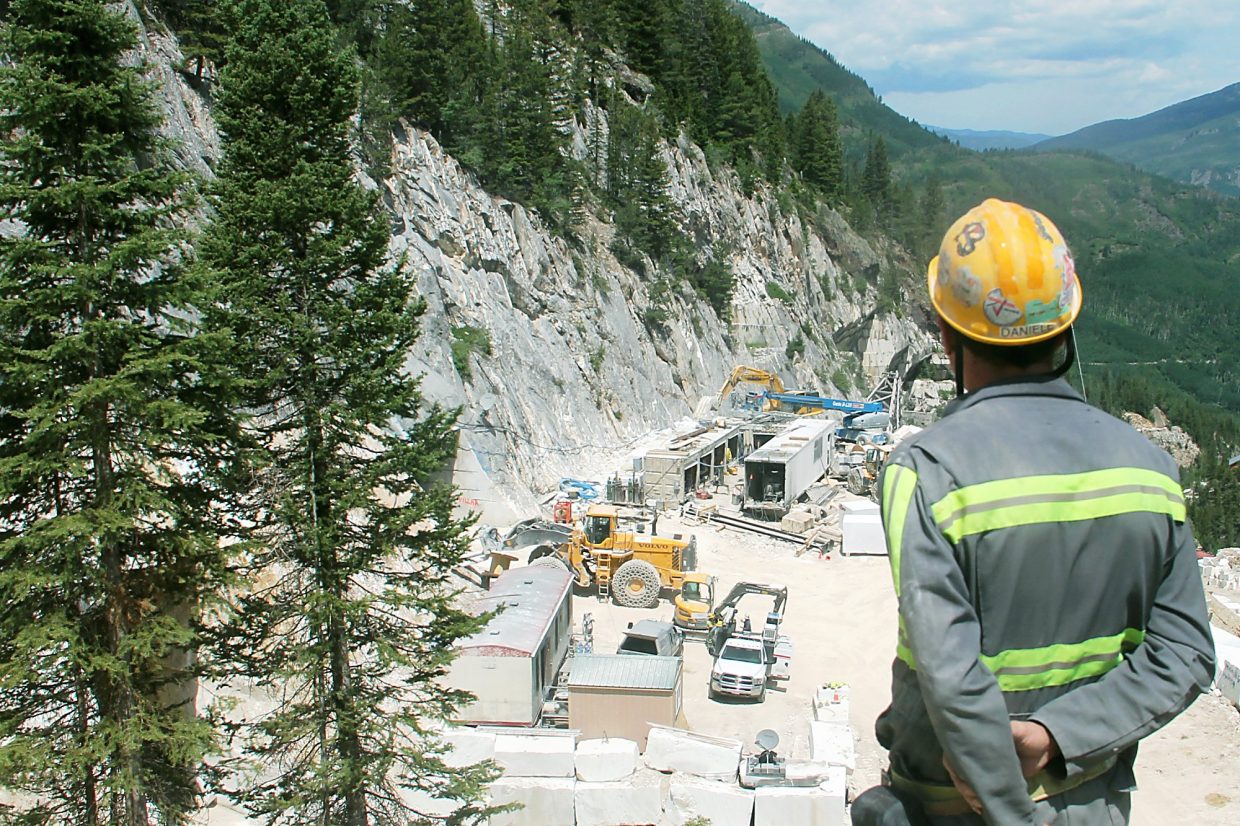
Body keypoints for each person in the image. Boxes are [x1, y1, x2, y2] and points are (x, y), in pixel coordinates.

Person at [851, 198, 1216, 826]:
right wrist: (1054, 734)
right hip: (1094, 805)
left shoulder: (929, 474)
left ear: (947, 336)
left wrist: (1011, 811)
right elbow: (1185, 653)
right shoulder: (1152, 471)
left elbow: (954, 682)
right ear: (1066, 327)